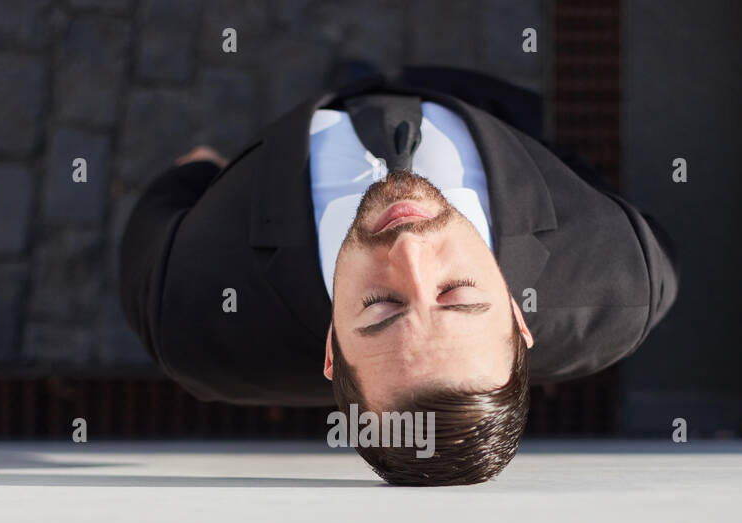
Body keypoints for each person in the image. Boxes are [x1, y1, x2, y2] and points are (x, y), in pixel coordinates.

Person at [119, 67, 678, 484]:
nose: (409, 250)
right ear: (519, 318)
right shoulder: (626, 282)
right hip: (470, 93)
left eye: (382, 308)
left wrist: (201, 170)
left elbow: (158, 220)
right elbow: (598, 191)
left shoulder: (191, 321)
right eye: (458, 294)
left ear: (332, 352)